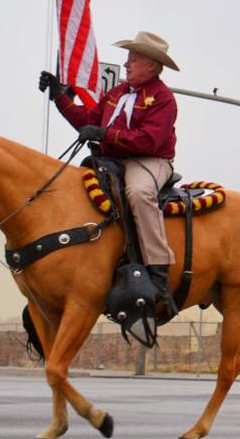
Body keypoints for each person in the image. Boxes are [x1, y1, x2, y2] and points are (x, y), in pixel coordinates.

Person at [39, 31, 180, 287]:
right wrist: (60, 96)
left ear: (151, 65)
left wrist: (105, 134)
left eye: (133, 60)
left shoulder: (163, 98)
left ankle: (158, 267)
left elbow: (150, 140)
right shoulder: (116, 92)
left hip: (149, 161)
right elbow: (88, 120)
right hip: (112, 158)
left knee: (139, 193)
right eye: (128, 59)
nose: (126, 64)